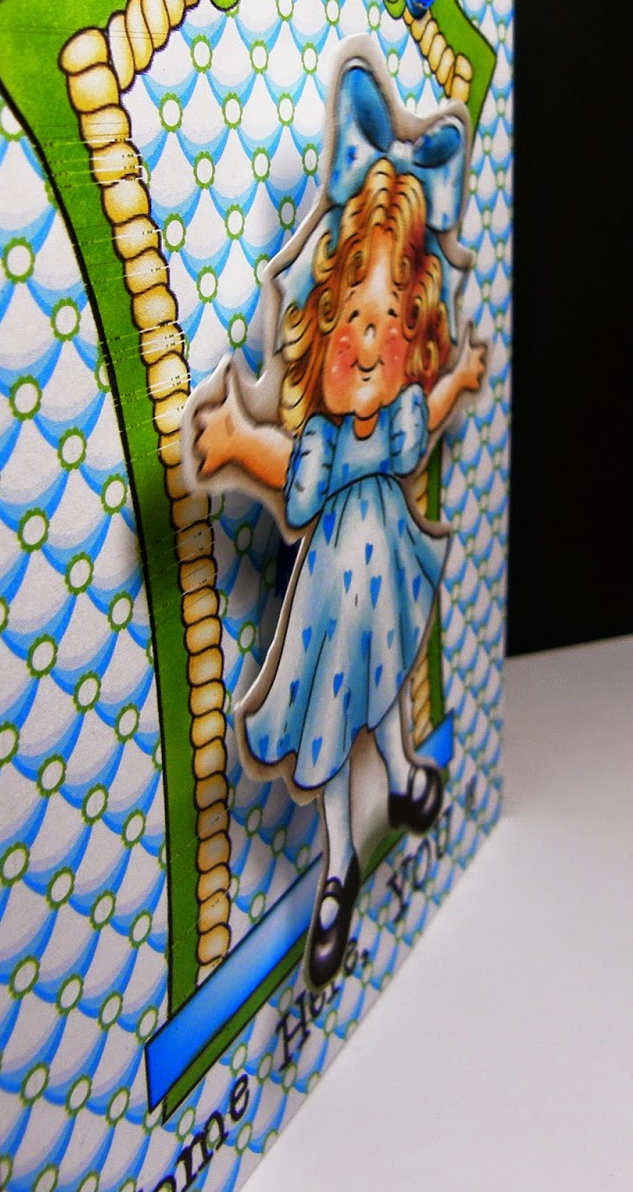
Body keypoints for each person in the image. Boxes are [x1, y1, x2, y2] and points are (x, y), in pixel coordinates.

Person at [191, 69, 485, 989]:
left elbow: (427, 420)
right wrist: (235, 441)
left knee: (390, 677)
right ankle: (336, 870)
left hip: (385, 574)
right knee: (330, 725)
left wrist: (460, 379)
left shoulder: (392, 422)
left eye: (388, 320)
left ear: (414, 331)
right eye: (353, 317)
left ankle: (400, 776)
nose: (366, 341)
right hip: (326, 602)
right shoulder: (322, 442)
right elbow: (286, 467)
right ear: (322, 324)